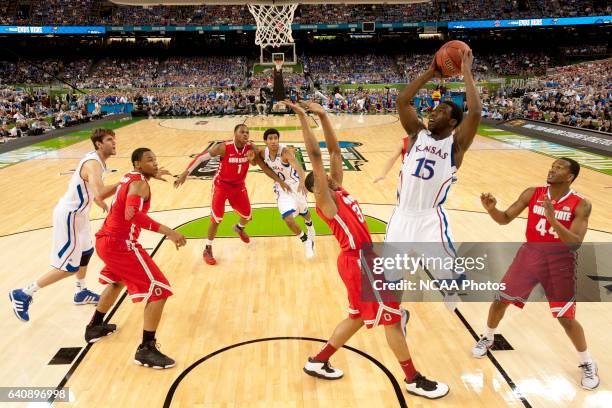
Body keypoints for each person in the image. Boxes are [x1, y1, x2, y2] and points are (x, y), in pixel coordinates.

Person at [284, 100, 449, 399]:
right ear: (317, 186)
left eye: (332, 176)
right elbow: (316, 156)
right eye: (324, 178)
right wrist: (302, 118)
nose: (333, 175)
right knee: (392, 319)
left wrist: (323, 115)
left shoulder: (340, 190)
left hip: (364, 260)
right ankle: (412, 379)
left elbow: (333, 152)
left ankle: (318, 361)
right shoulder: (326, 201)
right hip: (357, 261)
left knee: (358, 317)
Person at [471, 158, 599, 390]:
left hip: (560, 261)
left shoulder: (581, 204)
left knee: (565, 318)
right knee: (501, 300)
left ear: (570, 177)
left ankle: (588, 362)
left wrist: (552, 219)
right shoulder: (533, 193)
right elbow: (505, 219)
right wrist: (492, 210)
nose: (552, 169)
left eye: (559, 167)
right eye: (552, 165)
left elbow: (575, 244)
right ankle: (488, 336)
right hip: (529, 255)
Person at [380, 49, 482, 308]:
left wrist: (466, 70)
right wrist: (430, 73)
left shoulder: (455, 146)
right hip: (401, 215)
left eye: (440, 112)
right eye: (433, 110)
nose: (432, 114)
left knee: (452, 276)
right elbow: (403, 100)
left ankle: (451, 289)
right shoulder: (417, 134)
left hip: (429, 218)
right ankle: (397, 313)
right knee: (390, 278)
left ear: (453, 121)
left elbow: (476, 113)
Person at [84, 148, 187, 369]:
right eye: (150, 160)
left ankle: (95, 326)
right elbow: (134, 215)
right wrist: (170, 232)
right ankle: (146, 349)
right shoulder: (139, 183)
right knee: (159, 290)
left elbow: (128, 189)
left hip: (105, 240)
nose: (155, 162)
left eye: (156, 158)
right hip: (121, 244)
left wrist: (153, 174)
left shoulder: (129, 176)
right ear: (137, 164)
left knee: (117, 281)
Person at [9, 129, 118, 322]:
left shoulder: (97, 161)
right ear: (99, 144)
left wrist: (96, 199)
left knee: (86, 252)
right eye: (110, 140)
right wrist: (123, 183)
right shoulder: (93, 163)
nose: (114, 142)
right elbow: (100, 191)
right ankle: (24, 293)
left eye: (114, 139)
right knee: (69, 268)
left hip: (80, 215)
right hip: (69, 216)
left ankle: (80, 292)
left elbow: (90, 188)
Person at [174, 124, 290, 265]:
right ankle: (208, 248)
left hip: (239, 186)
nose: (245, 134)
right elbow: (201, 158)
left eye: (247, 132)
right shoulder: (223, 147)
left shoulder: (250, 147)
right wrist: (186, 173)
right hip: (221, 185)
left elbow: (260, 165)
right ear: (234, 133)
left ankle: (239, 228)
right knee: (217, 219)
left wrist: (277, 177)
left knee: (247, 215)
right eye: (242, 132)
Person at [258, 128, 315, 259]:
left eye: (275, 138)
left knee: (304, 213)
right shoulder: (262, 151)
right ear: (265, 141)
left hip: (295, 184)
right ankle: (306, 241)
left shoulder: (285, 152)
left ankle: (310, 226)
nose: (273, 141)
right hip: (281, 188)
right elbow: (254, 158)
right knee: (287, 218)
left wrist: (302, 181)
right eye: (270, 139)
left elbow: (298, 166)